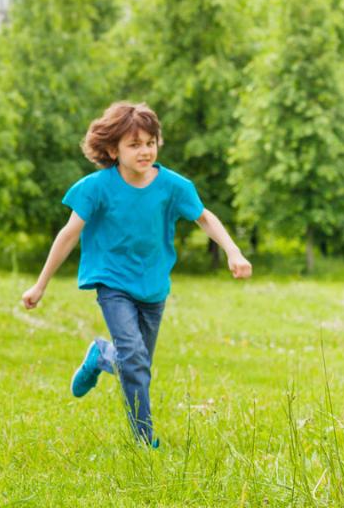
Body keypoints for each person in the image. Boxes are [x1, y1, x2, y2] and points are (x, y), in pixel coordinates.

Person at [21, 101, 253, 447]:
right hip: (113, 282)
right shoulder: (96, 188)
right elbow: (68, 235)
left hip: (153, 286)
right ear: (113, 150)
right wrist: (40, 285)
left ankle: (101, 355)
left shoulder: (173, 186)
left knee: (136, 363)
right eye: (134, 144)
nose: (145, 151)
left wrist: (233, 251)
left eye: (150, 142)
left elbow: (204, 218)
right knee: (134, 359)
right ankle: (145, 440)